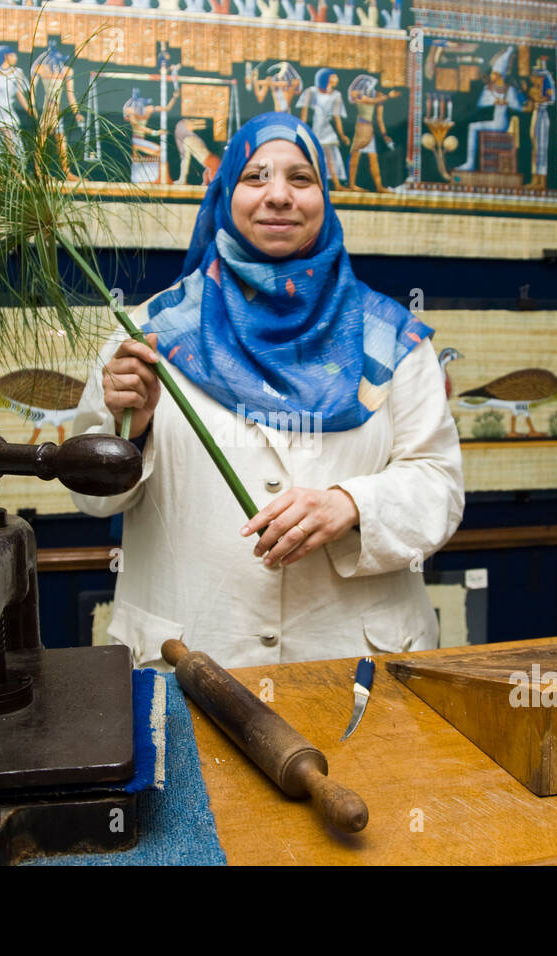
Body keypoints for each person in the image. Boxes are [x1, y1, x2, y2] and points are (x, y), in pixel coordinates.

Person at [69, 111, 464, 669]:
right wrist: (130, 428)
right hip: (193, 661)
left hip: (356, 666)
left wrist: (351, 505)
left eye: (301, 179)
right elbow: (92, 497)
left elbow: (439, 487)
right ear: (225, 193)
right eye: (255, 177)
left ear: (324, 199)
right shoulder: (152, 332)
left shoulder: (390, 339)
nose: (279, 195)